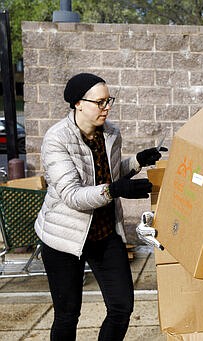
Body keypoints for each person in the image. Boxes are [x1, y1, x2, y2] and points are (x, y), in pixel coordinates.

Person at [34, 73, 165, 341]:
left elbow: (110, 174)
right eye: (100, 102)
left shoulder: (111, 134)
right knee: (68, 315)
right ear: (78, 103)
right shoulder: (57, 139)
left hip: (105, 233)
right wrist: (116, 190)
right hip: (64, 238)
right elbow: (72, 195)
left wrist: (137, 162)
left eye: (109, 101)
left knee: (122, 307)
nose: (107, 108)